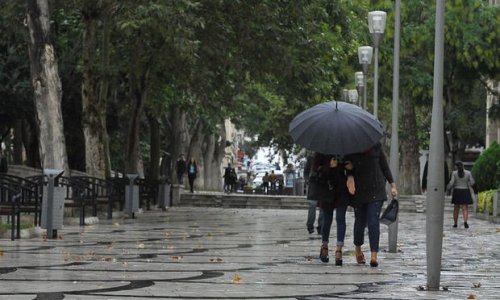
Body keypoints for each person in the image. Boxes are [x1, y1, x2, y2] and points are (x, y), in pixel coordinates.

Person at [345, 142, 398, 267]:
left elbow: (384, 166)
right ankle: (358, 248)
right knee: (360, 222)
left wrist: (393, 185)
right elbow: (347, 168)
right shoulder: (351, 148)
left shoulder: (376, 146)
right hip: (359, 191)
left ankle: (374, 254)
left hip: (376, 190)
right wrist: (350, 175)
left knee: (373, 221)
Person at [318, 154, 351, 266]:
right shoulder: (321, 151)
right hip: (327, 191)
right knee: (327, 220)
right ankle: (325, 246)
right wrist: (328, 166)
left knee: (340, 219)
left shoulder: (346, 150)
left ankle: (339, 250)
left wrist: (350, 168)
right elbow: (315, 170)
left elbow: (352, 170)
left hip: (342, 191)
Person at [446, 161, 475, 229]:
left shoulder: (454, 173)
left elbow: (452, 182)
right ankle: (465, 222)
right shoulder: (468, 173)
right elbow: (472, 182)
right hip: (465, 191)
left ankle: (455, 223)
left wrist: (447, 188)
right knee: (465, 208)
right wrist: (469, 185)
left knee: (456, 208)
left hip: (457, 191)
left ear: (456, 166)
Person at [304, 153, 324, 235]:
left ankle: (321, 226)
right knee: (312, 204)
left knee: (323, 205)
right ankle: (310, 225)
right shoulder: (311, 156)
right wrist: (307, 179)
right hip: (313, 182)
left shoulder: (328, 155)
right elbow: (306, 170)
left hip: (323, 183)